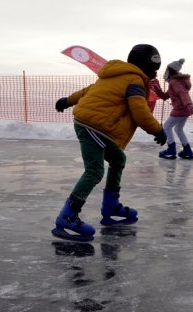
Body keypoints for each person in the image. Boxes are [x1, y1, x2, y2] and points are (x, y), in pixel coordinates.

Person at [52, 44, 168, 241]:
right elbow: (140, 112)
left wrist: (67, 100)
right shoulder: (134, 81)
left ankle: (110, 206)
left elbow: (89, 90)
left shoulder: (117, 75)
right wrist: (158, 130)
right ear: (142, 64)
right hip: (94, 125)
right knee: (94, 170)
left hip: (92, 124)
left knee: (117, 158)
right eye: (153, 67)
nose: (155, 72)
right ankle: (68, 215)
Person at [152, 58, 193, 159]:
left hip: (180, 109)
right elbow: (165, 96)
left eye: (167, 70)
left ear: (170, 71)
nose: (165, 72)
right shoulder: (177, 82)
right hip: (185, 110)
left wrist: (189, 105)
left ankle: (171, 150)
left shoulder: (174, 82)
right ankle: (187, 151)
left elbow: (183, 94)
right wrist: (157, 90)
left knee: (167, 127)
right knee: (178, 129)